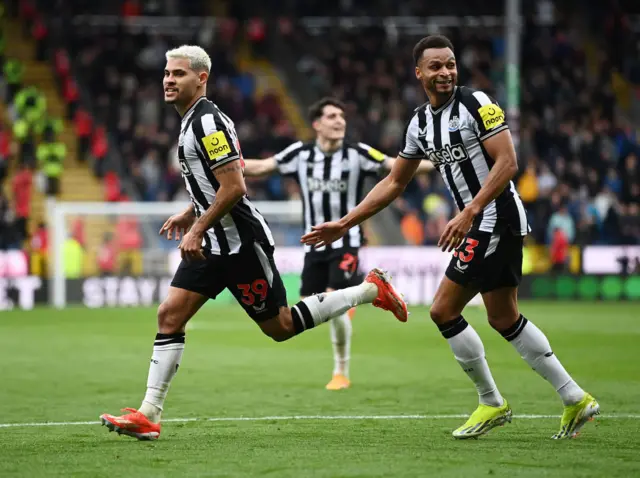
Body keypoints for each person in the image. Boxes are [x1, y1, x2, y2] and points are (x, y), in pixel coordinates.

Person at [99, 45, 408, 441]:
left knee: (279, 327)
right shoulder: (190, 121)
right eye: (167, 73)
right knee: (169, 315)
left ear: (201, 78)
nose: (169, 80)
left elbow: (234, 186)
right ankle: (149, 414)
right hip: (212, 244)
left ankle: (369, 290)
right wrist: (192, 214)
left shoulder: (207, 123)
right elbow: (214, 186)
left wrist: (195, 228)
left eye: (178, 74)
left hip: (242, 244)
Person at [302, 35, 599, 440]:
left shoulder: (477, 103)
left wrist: (470, 211)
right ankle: (574, 397)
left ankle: (492, 402)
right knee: (503, 317)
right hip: (481, 221)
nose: (445, 73)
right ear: (419, 73)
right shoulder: (419, 123)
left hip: (494, 218)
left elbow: (508, 162)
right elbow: (394, 182)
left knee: (443, 310)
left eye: (451, 65)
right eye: (436, 67)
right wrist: (346, 222)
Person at [243, 97, 432, 390]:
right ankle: (372, 291)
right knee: (311, 306)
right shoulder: (301, 153)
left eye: (342, 116)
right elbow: (262, 167)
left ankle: (341, 371)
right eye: (331, 116)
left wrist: (438, 162)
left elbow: (397, 166)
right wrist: (225, 165)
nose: (339, 121)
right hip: (313, 244)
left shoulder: (357, 153)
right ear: (317, 124)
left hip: (347, 239)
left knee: (336, 301)